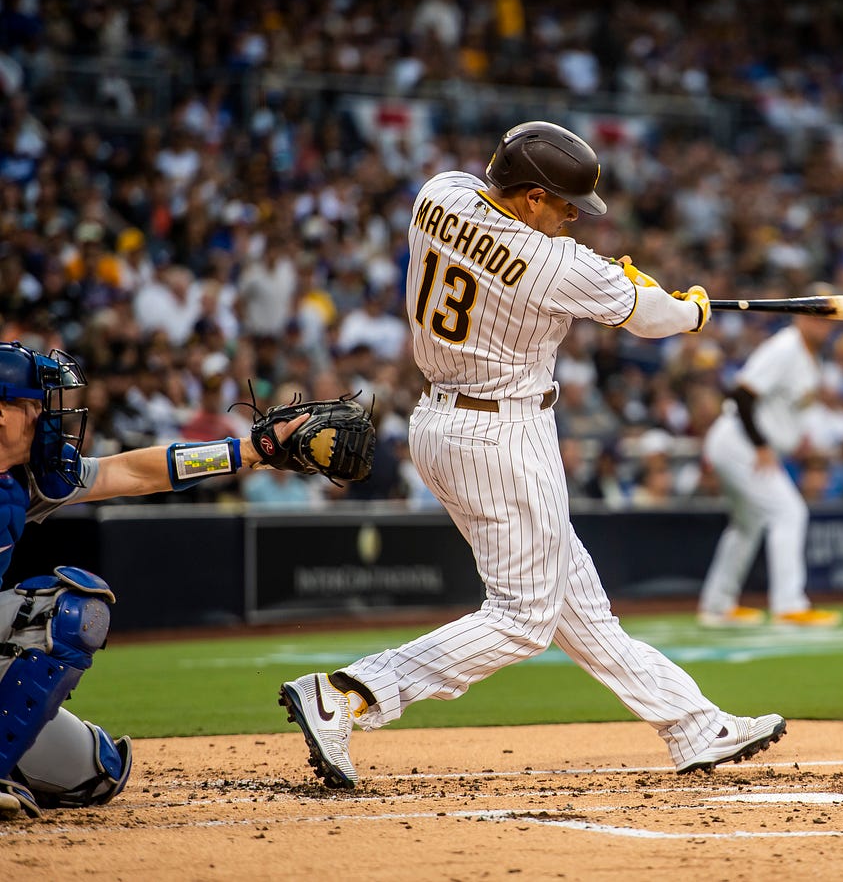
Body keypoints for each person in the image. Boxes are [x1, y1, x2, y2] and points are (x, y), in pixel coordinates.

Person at [278, 121, 787, 790]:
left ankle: (691, 723)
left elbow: (567, 269)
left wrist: (623, 285)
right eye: (563, 203)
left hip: (440, 422)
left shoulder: (440, 193)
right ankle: (349, 694)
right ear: (527, 198)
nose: (573, 217)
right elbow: (655, 318)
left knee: (577, 602)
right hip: (503, 435)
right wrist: (689, 309)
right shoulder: (557, 263)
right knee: (522, 619)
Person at [0, 341, 309, 819]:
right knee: (67, 611)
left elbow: (134, 471)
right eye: (32, 404)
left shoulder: (26, 478)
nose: (47, 416)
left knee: (96, 771)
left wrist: (248, 451)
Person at [695, 295, 843, 628]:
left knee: (747, 524)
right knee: (789, 512)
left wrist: (792, 440)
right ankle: (789, 605)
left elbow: (782, 409)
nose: (824, 324)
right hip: (739, 441)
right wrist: (762, 445)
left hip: (742, 443)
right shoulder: (786, 347)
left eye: (828, 318)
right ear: (801, 318)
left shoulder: (809, 357)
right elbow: (743, 393)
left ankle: (717, 605)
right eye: (818, 316)